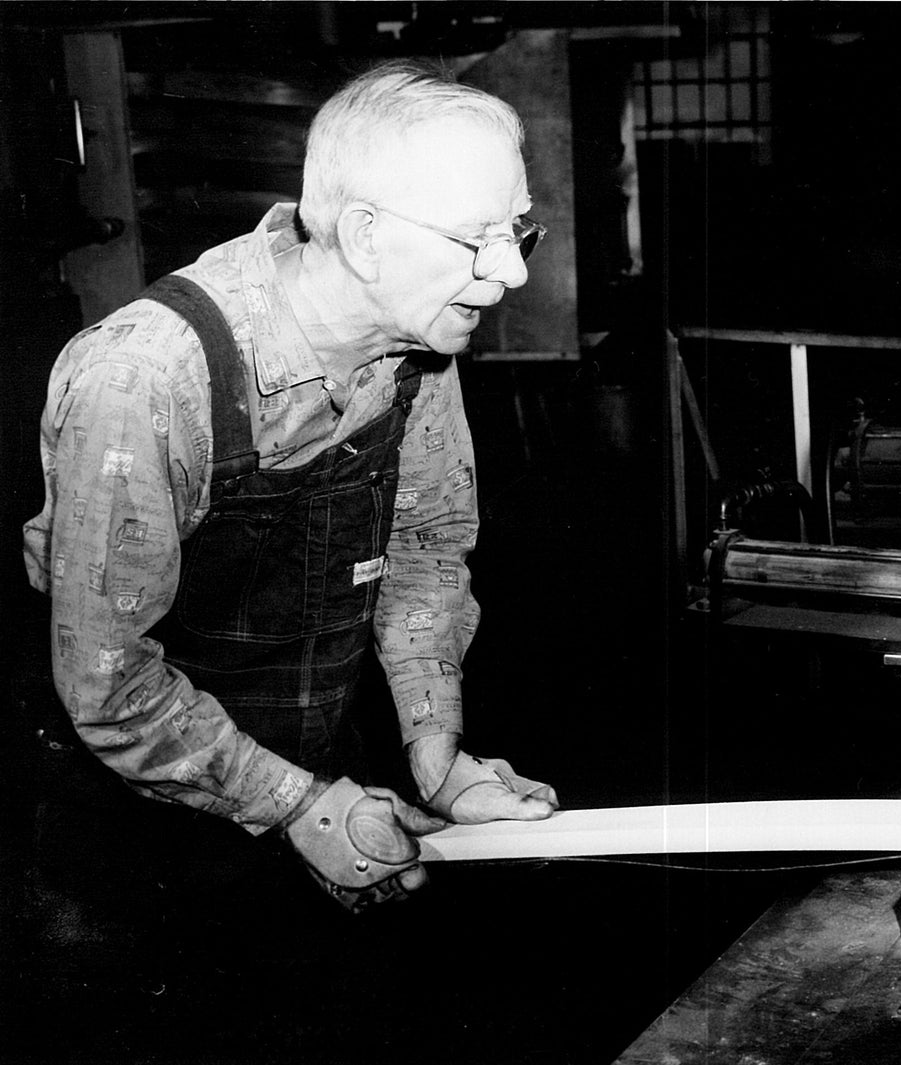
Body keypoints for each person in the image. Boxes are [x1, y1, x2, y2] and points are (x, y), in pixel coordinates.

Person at [21, 59, 558, 913]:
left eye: (518, 233)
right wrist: (302, 807)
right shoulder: (149, 378)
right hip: (125, 826)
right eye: (478, 238)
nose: (514, 273)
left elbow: (422, 553)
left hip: (309, 773)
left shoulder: (414, 348)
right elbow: (109, 683)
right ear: (367, 233)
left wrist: (435, 754)